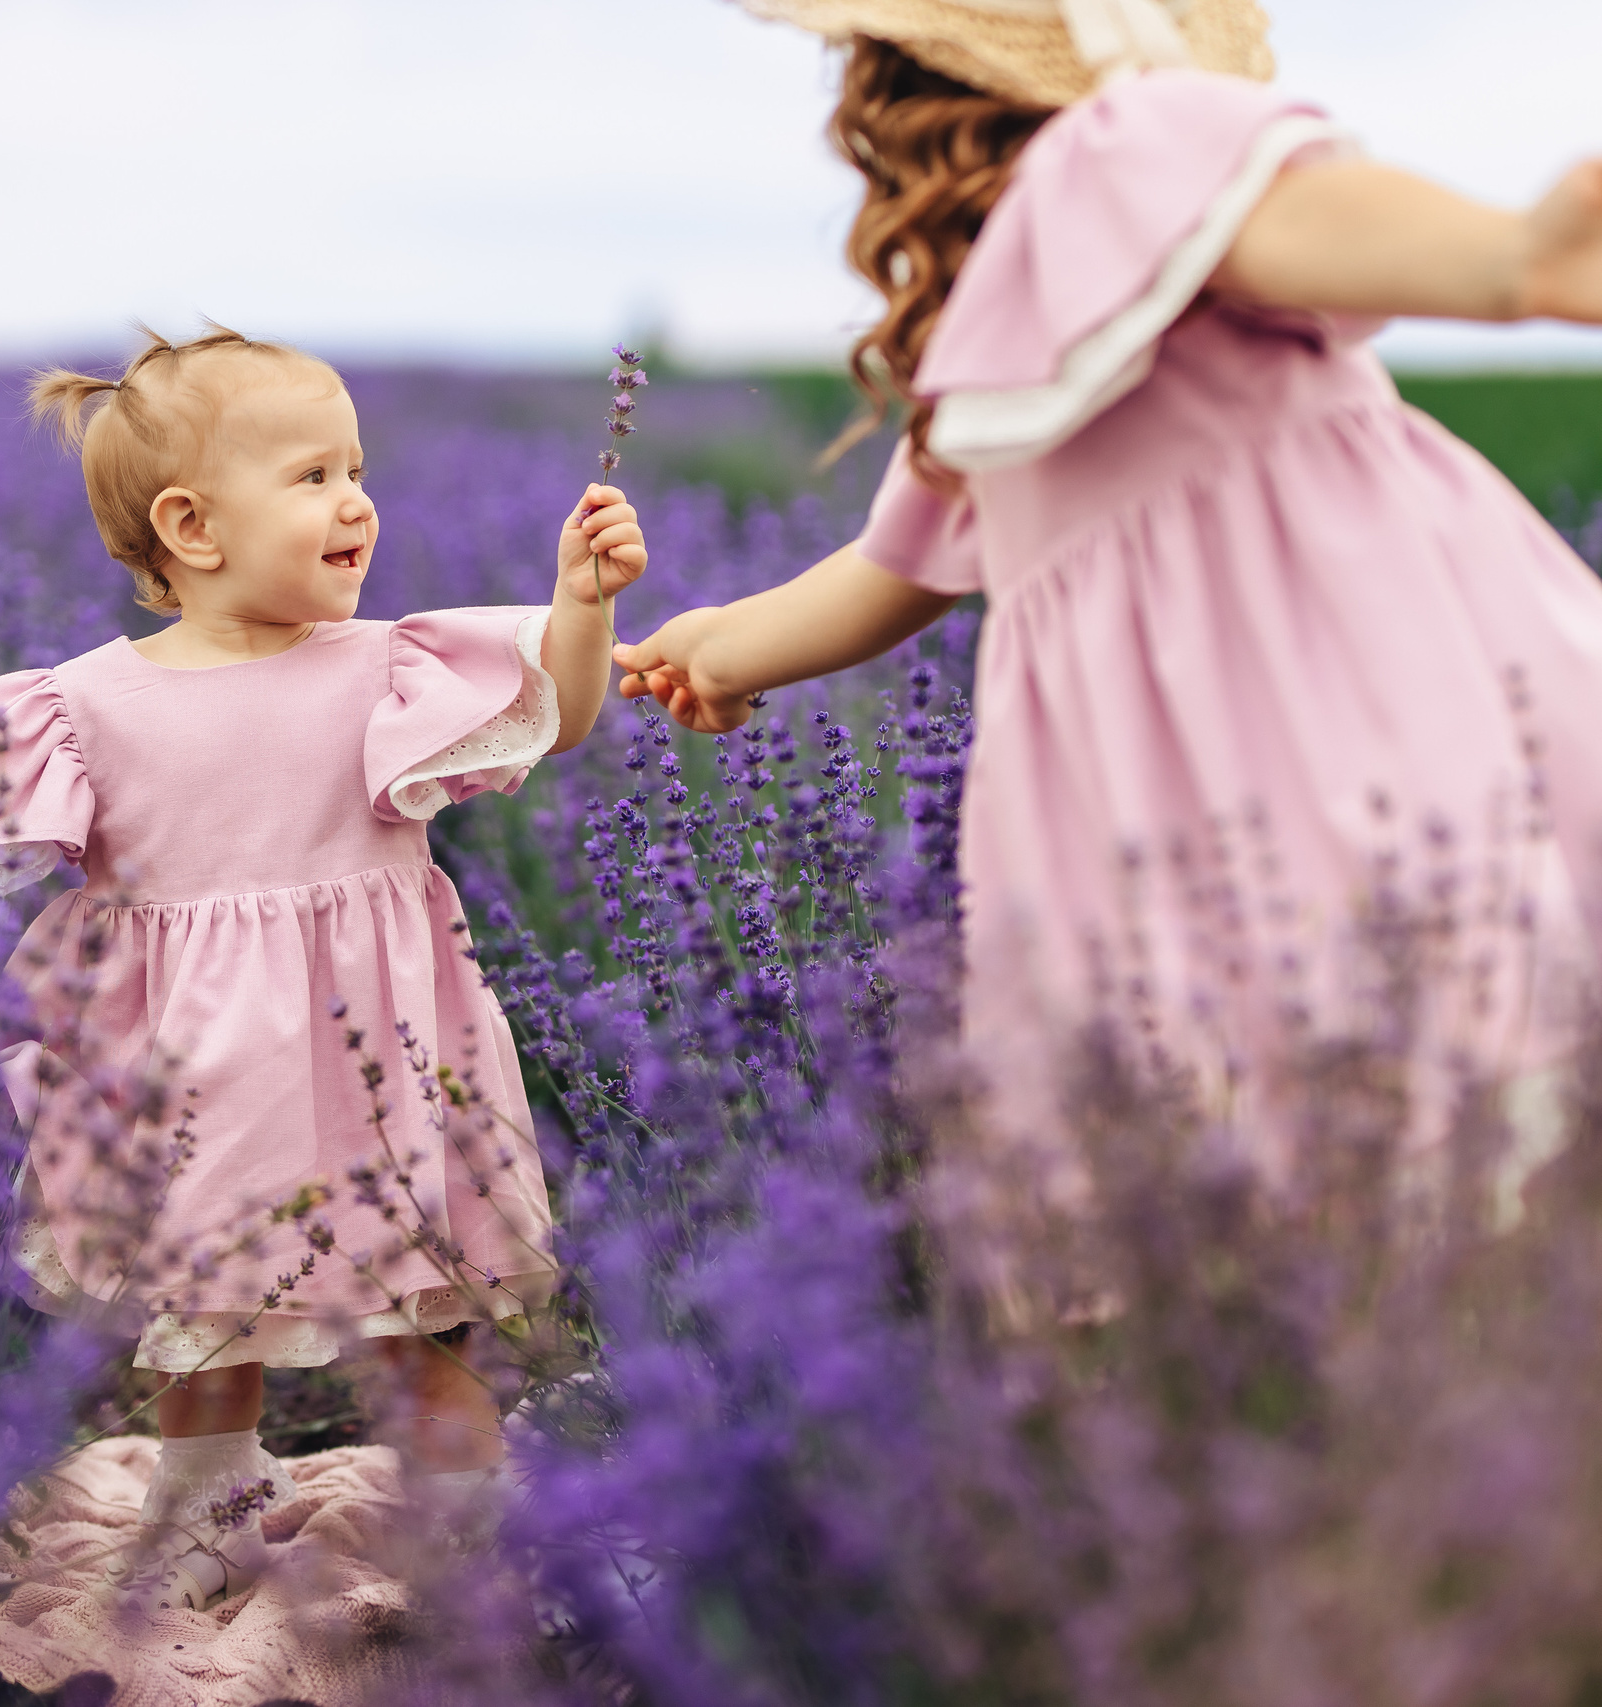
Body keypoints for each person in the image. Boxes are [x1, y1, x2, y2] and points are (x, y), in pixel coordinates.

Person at [617, 0, 1602, 1175]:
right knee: (1374, 1088)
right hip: (1216, 747)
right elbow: (904, 563)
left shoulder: (1126, 146)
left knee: (1315, 1088)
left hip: (1302, 709)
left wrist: (1512, 261)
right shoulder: (1008, 315)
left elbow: (1299, 218)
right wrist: (726, 646)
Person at [0, 326, 648, 1606]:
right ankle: (207, 1513)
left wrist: (583, 604)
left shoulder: (386, 669)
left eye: (357, 470)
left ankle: (484, 1548)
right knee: (200, 1332)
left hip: (375, 1072)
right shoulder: (89, 704)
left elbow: (554, 714)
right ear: (192, 525)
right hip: (187, 1083)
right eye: (314, 477)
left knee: (410, 1332)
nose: (356, 503)